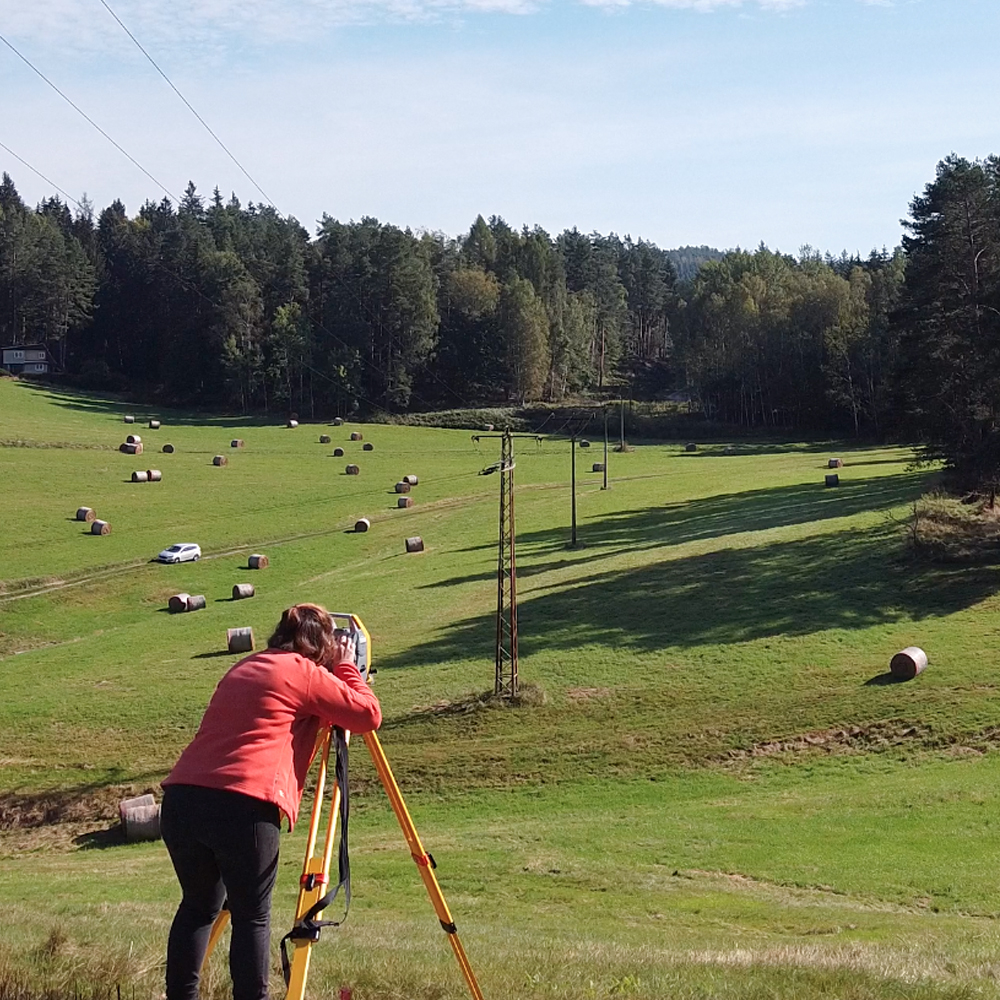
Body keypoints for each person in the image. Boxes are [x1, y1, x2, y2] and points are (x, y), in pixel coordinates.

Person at [160, 603, 382, 1000]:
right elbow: (366, 714)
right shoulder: (303, 671)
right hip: (242, 807)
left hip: (182, 802)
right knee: (251, 918)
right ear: (322, 646)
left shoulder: (244, 666)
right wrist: (348, 668)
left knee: (197, 907)